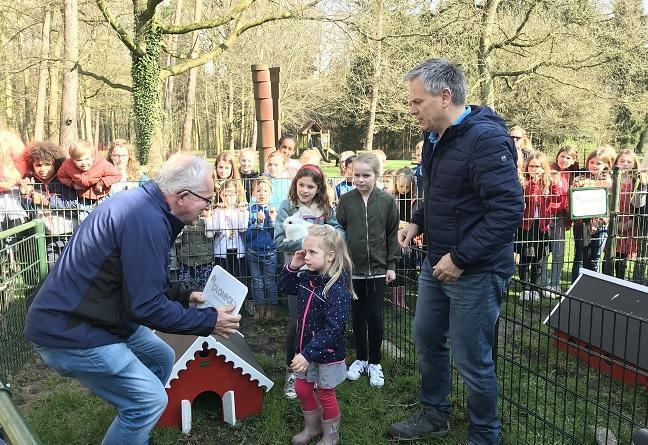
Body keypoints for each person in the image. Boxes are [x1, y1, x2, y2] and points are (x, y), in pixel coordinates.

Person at [23, 153, 241, 445]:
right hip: (71, 330)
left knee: (161, 356)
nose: (207, 207)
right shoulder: (146, 220)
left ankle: (135, 429)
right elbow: (147, 306)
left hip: (98, 314)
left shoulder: (144, 207)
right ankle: (137, 414)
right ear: (182, 197)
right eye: (206, 199)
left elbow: (139, 280)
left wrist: (183, 295)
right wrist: (209, 321)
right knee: (149, 402)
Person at [391, 59, 524, 444]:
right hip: (438, 263)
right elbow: (439, 193)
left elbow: (508, 210)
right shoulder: (436, 139)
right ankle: (435, 413)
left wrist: (461, 258)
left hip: (475, 271)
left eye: (417, 102)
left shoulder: (485, 140)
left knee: (472, 360)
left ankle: (485, 434)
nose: (412, 109)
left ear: (444, 96)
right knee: (427, 338)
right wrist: (417, 220)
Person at [278, 224, 353, 445]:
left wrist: (307, 354)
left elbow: (334, 329)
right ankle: (312, 428)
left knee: (326, 394)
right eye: (305, 251)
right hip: (305, 351)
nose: (306, 256)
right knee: (302, 388)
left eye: (312, 252)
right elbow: (284, 287)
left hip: (326, 354)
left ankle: (331, 434)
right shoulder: (307, 278)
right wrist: (293, 266)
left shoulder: (336, 289)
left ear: (330, 256)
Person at [274, 164, 343, 399]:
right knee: (298, 322)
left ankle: (315, 370)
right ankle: (292, 370)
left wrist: (323, 230)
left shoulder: (325, 208)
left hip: (322, 274)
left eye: (310, 186)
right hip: (298, 272)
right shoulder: (287, 207)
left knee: (319, 320)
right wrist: (307, 241)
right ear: (295, 184)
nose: (304, 190)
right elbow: (279, 241)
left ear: (318, 188)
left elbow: (339, 233)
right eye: (301, 185)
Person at [336, 153, 399, 388]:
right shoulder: (346, 201)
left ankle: (376, 362)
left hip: (379, 271)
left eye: (366, 175)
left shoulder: (386, 201)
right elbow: (338, 230)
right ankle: (361, 358)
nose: (361, 180)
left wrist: (391, 265)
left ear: (376, 175)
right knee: (358, 316)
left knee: (375, 315)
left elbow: (392, 234)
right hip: (352, 270)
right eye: (357, 175)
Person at [516, 152, 562, 301]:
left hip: (542, 226)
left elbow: (558, 198)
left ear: (544, 168)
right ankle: (525, 288)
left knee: (538, 258)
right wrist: (534, 181)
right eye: (531, 166)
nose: (534, 169)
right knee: (525, 257)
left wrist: (553, 183)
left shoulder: (548, 183)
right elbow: (530, 195)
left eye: (538, 166)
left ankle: (535, 288)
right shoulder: (525, 183)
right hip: (527, 225)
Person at [571, 146, 615, 279]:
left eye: (599, 163)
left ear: (607, 164)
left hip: (601, 224)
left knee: (595, 257)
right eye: (592, 162)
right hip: (581, 224)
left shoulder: (611, 181)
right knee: (580, 256)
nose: (594, 166)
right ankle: (574, 288)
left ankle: (592, 287)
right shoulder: (579, 179)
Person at [245, 177, 278, 319]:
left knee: (269, 282)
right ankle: (260, 307)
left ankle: (271, 307)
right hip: (253, 253)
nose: (261, 194)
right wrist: (258, 224)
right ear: (253, 193)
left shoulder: (274, 209)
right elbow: (247, 235)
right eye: (258, 191)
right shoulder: (249, 210)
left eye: (265, 191)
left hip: (269, 254)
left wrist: (272, 220)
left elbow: (276, 235)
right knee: (257, 282)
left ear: (271, 193)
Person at [57, 139, 122, 202]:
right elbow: (61, 176)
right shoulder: (68, 166)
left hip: (103, 196)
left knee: (103, 211)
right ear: (73, 160)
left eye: (87, 159)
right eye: (79, 160)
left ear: (93, 157)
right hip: (84, 197)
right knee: (84, 213)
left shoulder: (101, 164)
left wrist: (102, 182)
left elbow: (117, 175)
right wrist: (73, 184)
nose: (84, 163)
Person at [614, 149, 639, 279]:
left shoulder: (637, 182)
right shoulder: (611, 179)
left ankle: (620, 281)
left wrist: (631, 222)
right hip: (613, 222)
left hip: (629, 223)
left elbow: (640, 206)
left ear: (634, 164)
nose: (625, 164)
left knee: (622, 255)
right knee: (609, 254)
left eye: (629, 161)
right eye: (622, 160)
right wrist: (615, 221)